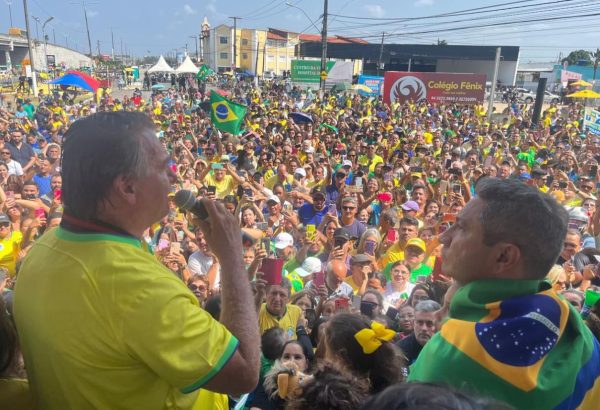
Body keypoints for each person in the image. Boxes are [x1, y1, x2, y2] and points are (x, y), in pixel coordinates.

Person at [13, 112, 260, 408]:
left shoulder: (44, 248)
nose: (173, 175)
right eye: (162, 166)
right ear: (127, 187)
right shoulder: (138, 288)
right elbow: (244, 373)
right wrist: (232, 256)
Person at [409, 178, 600, 409]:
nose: (444, 237)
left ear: (504, 257)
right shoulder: (578, 331)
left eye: (461, 227)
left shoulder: (450, 355)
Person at [396, 300, 441, 365]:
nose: (424, 328)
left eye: (430, 323)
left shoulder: (447, 347)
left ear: (439, 324)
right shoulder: (400, 350)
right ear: (414, 323)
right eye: (420, 322)